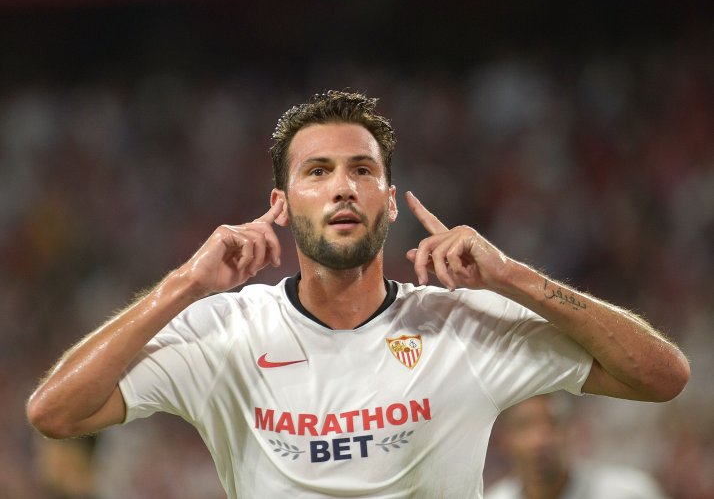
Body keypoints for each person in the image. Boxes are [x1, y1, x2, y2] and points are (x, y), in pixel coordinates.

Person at [27, 90, 690, 498]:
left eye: (362, 171)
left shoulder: (463, 324)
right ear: (282, 205)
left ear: (391, 203)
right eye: (319, 172)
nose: (343, 186)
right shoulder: (223, 330)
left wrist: (513, 276)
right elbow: (54, 413)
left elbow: (661, 377)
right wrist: (181, 286)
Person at [485, 394, 669, 499]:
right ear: (505, 439)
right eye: (525, 425)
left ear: (571, 430)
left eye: (553, 423)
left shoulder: (628, 493)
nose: (540, 438)